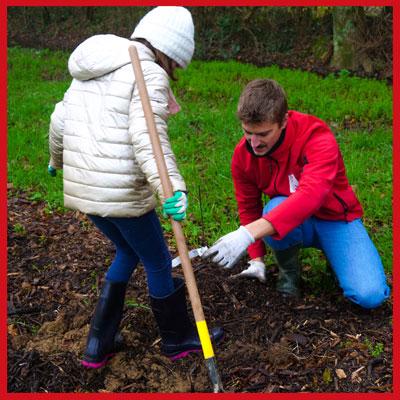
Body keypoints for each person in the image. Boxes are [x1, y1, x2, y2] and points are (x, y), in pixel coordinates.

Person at [48, 6, 223, 369]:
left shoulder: (93, 66)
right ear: (172, 52)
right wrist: (173, 189)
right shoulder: (148, 74)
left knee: (127, 252)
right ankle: (177, 340)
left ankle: (98, 343)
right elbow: (150, 140)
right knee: (158, 260)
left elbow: (60, 119)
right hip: (122, 193)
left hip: (85, 192)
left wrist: (56, 161)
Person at [203, 79, 390, 309]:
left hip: (336, 220)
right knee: (273, 208)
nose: (254, 143)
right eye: (247, 132)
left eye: (262, 134)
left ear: (283, 121)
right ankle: (289, 275)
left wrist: (248, 233)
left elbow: (311, 195)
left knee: (369, 296)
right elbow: (248, 206)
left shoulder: (316, 137)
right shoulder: (244, 155)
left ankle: (338, 258)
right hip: (292, 224)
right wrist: (256, 259)